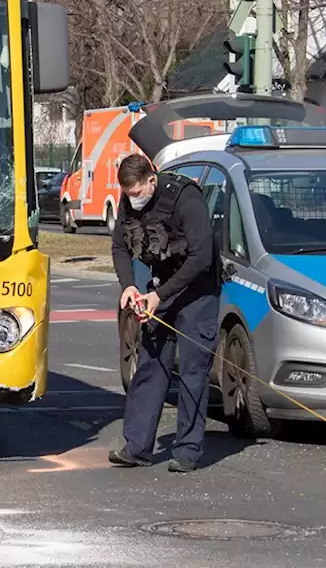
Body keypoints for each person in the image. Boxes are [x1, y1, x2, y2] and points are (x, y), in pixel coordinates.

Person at [108, 153, 219, 473]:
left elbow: (202, 257)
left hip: (198, 291)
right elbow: (119, 246)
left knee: (194, 371)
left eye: (137, 192)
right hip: (160, 288)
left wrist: (160, 295)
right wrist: (129, 286)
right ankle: (137, 446)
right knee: (151, 363)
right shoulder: (130, 201)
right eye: (128, 194)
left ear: (151, 180)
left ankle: (187, 449)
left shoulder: (186, 198)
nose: (133, 199)